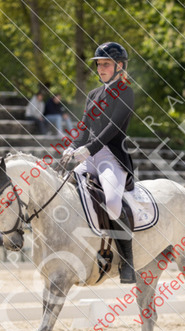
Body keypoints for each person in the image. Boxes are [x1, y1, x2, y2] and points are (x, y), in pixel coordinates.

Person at [61, 42, 136, 284]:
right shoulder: (93, 95)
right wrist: (73, 146)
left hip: (111, 157)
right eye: (99, 64)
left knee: (112, 203)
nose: (101, 68)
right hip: (89, 155)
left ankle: (127, 262)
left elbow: (113, 127)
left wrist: (89, 149)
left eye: (106, 64)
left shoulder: (125, 92)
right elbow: (84, 128)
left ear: (119, 66)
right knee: (62, 188)